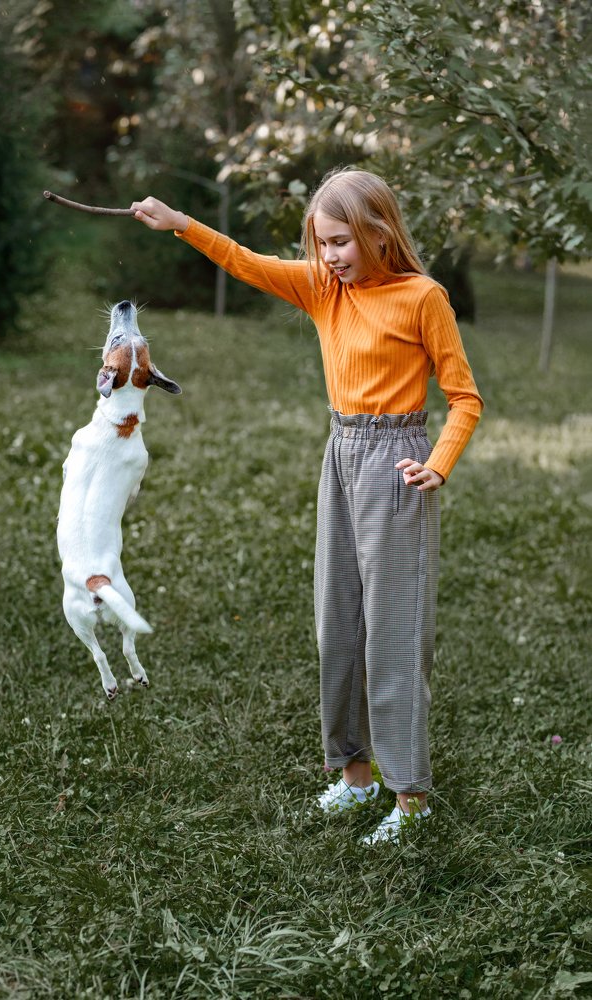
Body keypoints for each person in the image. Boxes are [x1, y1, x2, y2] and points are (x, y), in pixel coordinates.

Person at [129, 168, 483, 845]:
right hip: (340, 455)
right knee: (337, 624)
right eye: (321, 244)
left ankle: (410, 797)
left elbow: (464, 397)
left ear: (379, 231)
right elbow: (246, 261)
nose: (329, 257)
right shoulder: (324, 290)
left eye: (341, 242)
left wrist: (436, 464)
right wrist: (181, 223)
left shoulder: (421, 297)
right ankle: (354, 775)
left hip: (396, 465)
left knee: (393, 632)